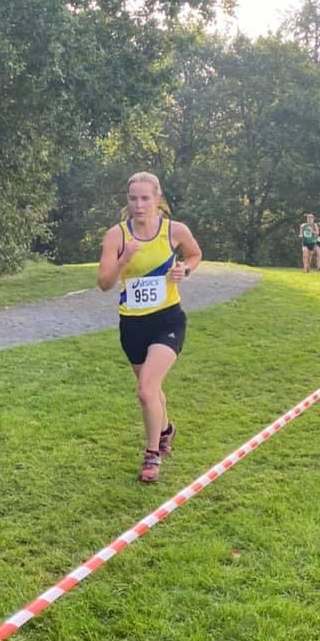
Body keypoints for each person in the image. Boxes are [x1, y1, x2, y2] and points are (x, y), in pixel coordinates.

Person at [97, 172, 202, 483]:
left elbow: (195, 255)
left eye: (145, 198)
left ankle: (153, 454)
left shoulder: (175, 231)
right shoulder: (116, 236)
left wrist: (185, 268)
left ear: (158, 199)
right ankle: (166, 430)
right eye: (133, 199)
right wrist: (123, 260)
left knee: (145, 390)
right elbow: (104, 283)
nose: (139, 205)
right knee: (152, 390)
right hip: (132, 325)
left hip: (167, 320)